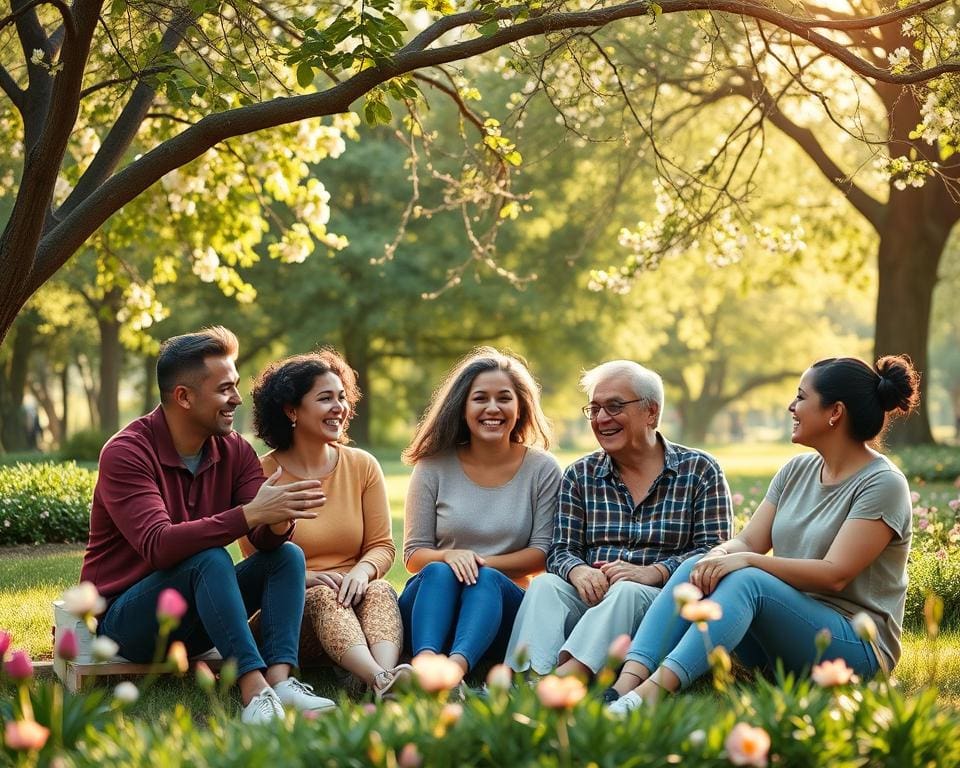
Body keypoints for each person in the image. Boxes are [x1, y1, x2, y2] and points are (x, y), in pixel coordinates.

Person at [607, 355, 920, 714]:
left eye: (801, 397)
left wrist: (747, 561)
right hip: (783, 636)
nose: (792, 406)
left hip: (854, 647)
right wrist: (720, 556)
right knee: (699, 562)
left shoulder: (882, 483)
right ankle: (622, 687)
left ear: (835, 412)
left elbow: (836, 574)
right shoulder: (797, 470)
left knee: (749, 579)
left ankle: (647, 696)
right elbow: (748, 542)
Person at [80, 326, 335, 724]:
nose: (236, 398)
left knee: (286, 556)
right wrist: (251, 514)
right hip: (126, 626)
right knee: (209, 558)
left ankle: (281, 682)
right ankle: (254, 694)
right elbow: (159, 545)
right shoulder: (127, 453)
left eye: (235, 386)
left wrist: (279, 518)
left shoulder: (234, 450)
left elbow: (263, 538)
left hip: (198, 622)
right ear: (183, 396)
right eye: (224, 389)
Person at [505, 360, 733, 681]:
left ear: (651, 413)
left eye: (614, 407)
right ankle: (526, 678)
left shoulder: (699, 470)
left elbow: (714, 551)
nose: (601, 419)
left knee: (627, 591)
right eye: (594, 409)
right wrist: (578, 570)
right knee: (545, 585)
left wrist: (652, 573)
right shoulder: (580, 475)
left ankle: (561, 683)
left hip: (658, 607)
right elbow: (560, 550)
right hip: (592, 599)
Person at [244, 351, 407, 698]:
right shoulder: (259, 475)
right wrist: (306, 579)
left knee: (379, 589)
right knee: (321, 595)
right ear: (291, 410)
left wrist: (360, 574)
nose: (339, 408)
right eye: (325, 398)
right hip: (286, 619)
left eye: (342, 397)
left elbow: (382, 545)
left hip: (357, 601)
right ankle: (380, 680)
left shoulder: (362, 465)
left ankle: (381, 678)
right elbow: (255, 562)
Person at [399, 348, 562, 683]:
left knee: (484, 578)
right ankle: (425, 666)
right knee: (439, 572)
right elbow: (414, 556)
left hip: (501, 608)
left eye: (504, 398)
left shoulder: (542, 469)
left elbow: (543, 554)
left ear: (521, 407)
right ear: (462, 406)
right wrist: (451, 556)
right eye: (480, 398)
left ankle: (453, 673)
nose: (492, 408)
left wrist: (478, 562)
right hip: (432, 601)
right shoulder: (432, 466)